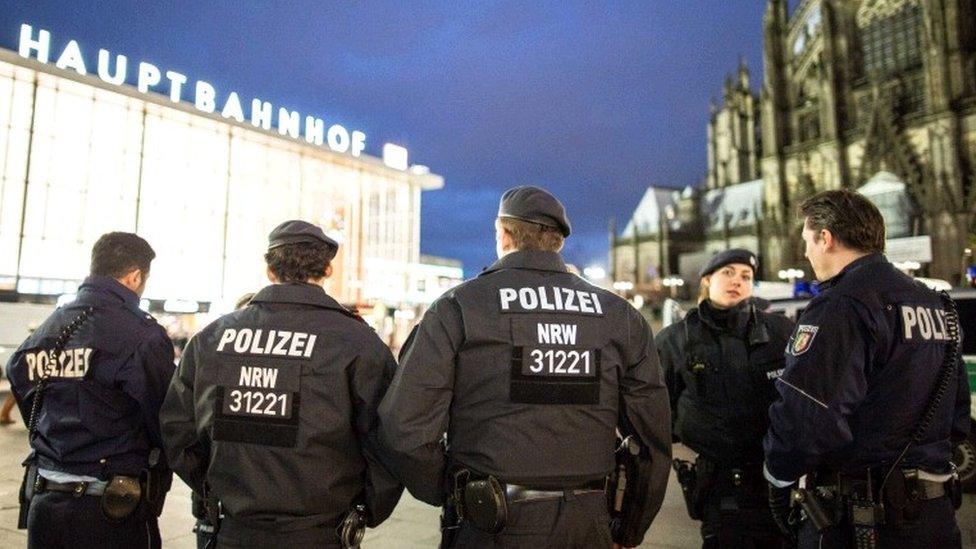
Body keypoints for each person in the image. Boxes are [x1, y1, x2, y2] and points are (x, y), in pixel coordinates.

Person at [378, 186, 672, 548]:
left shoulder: (460, 307)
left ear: (502, 234)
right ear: (558, 243)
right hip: (587, 523)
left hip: (490, 523)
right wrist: (629, 529)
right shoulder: (619, 316)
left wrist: (449, 489)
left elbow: (403, 428)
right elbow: (651, 438)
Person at [160, 220, 402, 548]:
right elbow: (388, 438)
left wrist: (213, 489)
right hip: (320, 532)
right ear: (327, 270)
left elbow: (178, 429)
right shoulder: (356, 342)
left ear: (270, 270)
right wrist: (365, 509)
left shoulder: (213, 338)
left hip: (234, 528)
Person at [763, 190, 971, 548]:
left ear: (826, 238)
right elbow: (955, 415)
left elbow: (809, 418)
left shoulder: (841, 305)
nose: (806, 253)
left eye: (807, 241)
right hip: (934, 515)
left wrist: (778, 475)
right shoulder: (937, 303)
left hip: (864, 519)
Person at [5, 232, 175, 548]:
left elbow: (21, 380)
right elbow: (165, 419)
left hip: (45, 502)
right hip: (110, 513)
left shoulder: (48, 330)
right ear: (135, 276)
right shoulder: (142, 336)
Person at [656, 248, 794, 548]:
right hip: (720, 487)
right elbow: (657, 412)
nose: (737, 281)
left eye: (746, 276)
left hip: (778, 481)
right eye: (728, 273)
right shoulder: (677, 340)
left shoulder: (780, 332)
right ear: (707, 279)